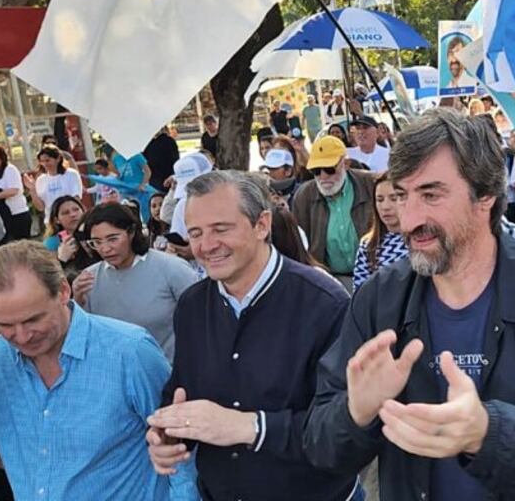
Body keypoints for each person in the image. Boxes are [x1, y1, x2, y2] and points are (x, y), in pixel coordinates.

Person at [303, 108, 515, 501]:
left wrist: (488, 434)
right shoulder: (379, 299)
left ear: (485, 197)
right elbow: (322, 446)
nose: (410, 218)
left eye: (431, 194)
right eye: (402, 195)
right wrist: (355, 413)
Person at [144, 170, 358, 501]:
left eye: (220, 229)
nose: (206, 245)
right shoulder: (191, 305)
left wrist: (250, 427)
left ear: (261, 225)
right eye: (196, 233)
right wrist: (168, 435)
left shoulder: (325, 303)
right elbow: (183, 389)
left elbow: (343, 429)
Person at [0, 241, 194, 499]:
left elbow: (180, 454)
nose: (22, 335)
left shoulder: (129, 351)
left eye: (34, 319)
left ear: (64, 291)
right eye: (5, 324)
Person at [71, 203, 196, 362]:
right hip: (115, 372)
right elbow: (84, 334)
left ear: (131, 232)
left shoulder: (171, 268)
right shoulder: (88, 278)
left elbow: (202, 321)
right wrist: (78, 302)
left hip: (169, 370)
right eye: (96, 242)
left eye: (113, 239)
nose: (105, 249)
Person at [292, 136, 375, 287]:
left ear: (346, 164)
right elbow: (298, 245)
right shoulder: (304, 196)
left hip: (374, 276)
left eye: (329, 169)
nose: (323, 177)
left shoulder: (371, 185)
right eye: (316, 171)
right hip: (331, 281)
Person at [352, 172, 407, 291]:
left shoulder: (421, 242)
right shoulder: (368, 244)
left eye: (393, 199)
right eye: (380, 200)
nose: (385, 206)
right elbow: (359, 291)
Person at [22, 145, 84, 223]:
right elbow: (41, 207)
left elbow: (76, 199)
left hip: (70, 220)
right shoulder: (41, 180)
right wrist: (32, 190)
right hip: (51, 222)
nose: (45, 164)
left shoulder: (71, 174)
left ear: (58, 159)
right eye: (42, 161)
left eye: (48, 160)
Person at [144, 127, 181, 192]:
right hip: (168, 173)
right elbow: (176, 158)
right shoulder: (170, 141)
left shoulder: (149, 144)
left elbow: (145, 160)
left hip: (154, 177)